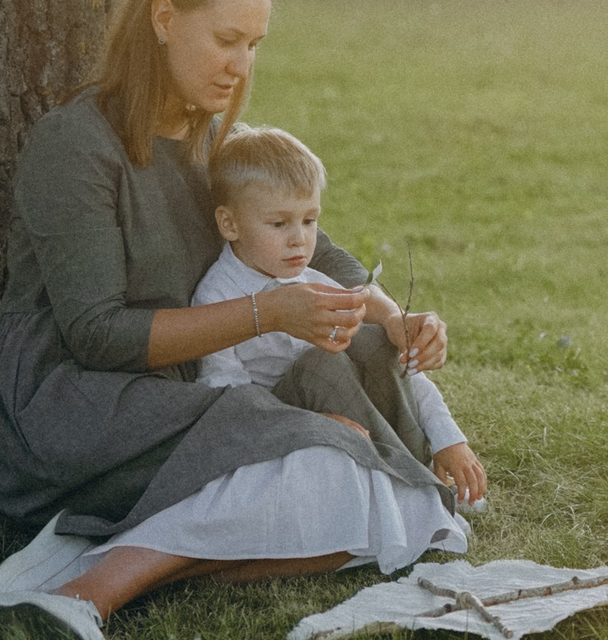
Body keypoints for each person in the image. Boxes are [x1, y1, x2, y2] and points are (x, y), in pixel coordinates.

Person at [0, 0, 466, 640]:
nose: (241, 65)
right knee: (338, 462)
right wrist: (266, 312)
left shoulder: (205, 136)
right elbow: (96, 334)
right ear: (163, 19)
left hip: (184, 389)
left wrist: (393, 315)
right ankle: (87, 596)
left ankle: (132, 567)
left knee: (370, 478)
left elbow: (312, 247)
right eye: (227, 38)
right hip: (72, 398)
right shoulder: (75, 145)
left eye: (255, 44)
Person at [190, 125, 488, 509]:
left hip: (344, 413)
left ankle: (427, 461)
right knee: (322, 363)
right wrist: (309, 425)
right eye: (279, 224)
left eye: (310, 220)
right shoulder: (217, 297)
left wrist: (451, 437)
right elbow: (227, 397)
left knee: (373, 336)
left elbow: (388, 348)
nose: (299, 239)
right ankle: (415, 490)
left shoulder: (312, 280)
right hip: (274, 419)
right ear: (230, 224)